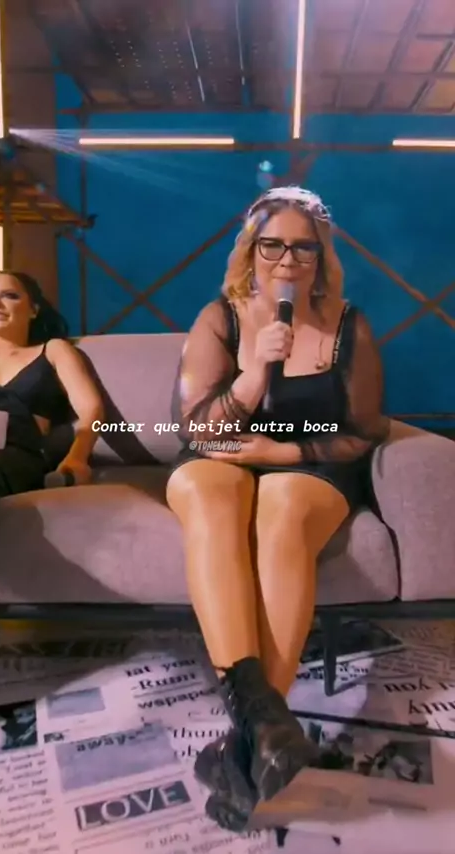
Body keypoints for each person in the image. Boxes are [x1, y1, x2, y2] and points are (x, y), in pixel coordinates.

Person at [166, 185, 389, 830]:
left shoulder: (349, 325)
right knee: (209, 489)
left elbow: (364, 430)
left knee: (284, 501)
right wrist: (254, 374)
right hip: (222, 460)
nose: (287, 260)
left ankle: (247, 745)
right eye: (272, 246)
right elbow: (194, 428)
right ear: (250, 252)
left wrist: (285, 453)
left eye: (303, 248)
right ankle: (266, 728)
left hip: (307, 467)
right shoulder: (221, 318)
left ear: (321, 257)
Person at [0, 270, 104, 645]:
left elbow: (92, 411)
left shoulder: (53, 351)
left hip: (16, 453)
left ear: (33, 309)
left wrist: (78, 458)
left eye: (9, 295)